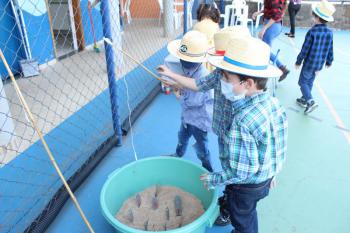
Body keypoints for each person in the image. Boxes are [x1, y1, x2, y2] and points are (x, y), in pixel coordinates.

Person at [158, 36, 288, 233]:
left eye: (227, 78)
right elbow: (278, 142)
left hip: (246, 185)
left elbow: (242, 172)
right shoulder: (273, 103)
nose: (222, 80)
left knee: (243, 216)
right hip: (264, 178)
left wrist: (214, 179)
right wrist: (273, 171)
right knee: (244, 206)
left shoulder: (241, 121)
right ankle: (231, 209)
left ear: (248, 83)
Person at [163, 30, 214, 172]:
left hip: (200, 121)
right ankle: (178, 154)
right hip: (187, 117)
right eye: (182, 58)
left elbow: (193, 101)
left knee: (201, 146)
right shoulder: (188, 70)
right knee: (182, 136)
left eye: (186, 60)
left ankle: (207, 168)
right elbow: (186, 86)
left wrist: (177, 90)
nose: (182, 62)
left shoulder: (203, 75)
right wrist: (178, 85)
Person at [295, 0, 335, 114]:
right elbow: (330, 48)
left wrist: (298, 61)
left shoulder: (312, 32)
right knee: (310, 81)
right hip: (319, 64)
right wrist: (329, 61)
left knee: (302, 82)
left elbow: (305, 49)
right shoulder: (330, 32)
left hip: (309, 63)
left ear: (316, 18)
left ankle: (310, 101)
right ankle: (304, 99)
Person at [252, 0, 290, 82]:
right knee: (265, 51)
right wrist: (259, 12)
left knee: (265, 51)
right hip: (273, 25)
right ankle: (282, 68)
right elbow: (270, 9)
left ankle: (262, 81)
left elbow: (276, 15)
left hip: (272, 26)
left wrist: (264, 29)